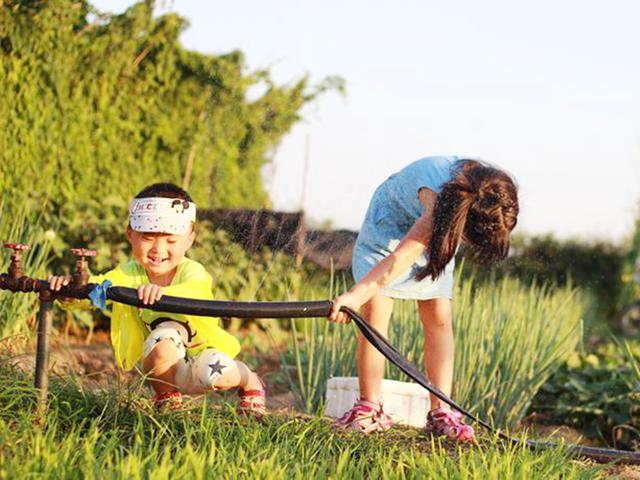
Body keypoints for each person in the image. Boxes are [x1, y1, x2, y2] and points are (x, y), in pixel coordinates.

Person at [328, 156, 519, 441]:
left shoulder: (487, 192)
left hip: (441, 229)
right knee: (374, 312)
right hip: (388, 229)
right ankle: (369, 408)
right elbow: (400, 257)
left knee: (439, 317)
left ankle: (441, 411)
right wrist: (355, 296)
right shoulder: (438, 203)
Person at [49, 183, 266, 414]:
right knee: (162, 343)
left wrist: (162, 292)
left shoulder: (192, 271)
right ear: (130, 235)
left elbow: (196, 291)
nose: (158, 249)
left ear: (190, 239)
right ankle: (167, 399)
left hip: (203, 351)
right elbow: (100, 288)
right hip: (168, 359)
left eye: (171, 241)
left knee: (215, 374)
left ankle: (250, 381)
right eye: (148, 238)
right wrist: (70, 291)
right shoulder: (130, 274)